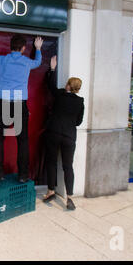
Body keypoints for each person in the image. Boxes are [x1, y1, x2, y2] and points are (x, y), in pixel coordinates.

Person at [0, 30, 43, 183]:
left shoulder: (1, 61)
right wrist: (38, 48)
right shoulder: (27, 62)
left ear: (10, 47)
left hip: (3, 102)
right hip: (19, 102)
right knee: (22, 140)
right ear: (23, 48)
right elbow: (38, 63)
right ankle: (23, 175)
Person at [43, 56, 84, 210]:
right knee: (68, 166)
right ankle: (70, 198)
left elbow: (50, 85)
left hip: (53, 132)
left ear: (68, 85)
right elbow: (78, 122)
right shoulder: (80, 102)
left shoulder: (60, 95)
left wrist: (52, 68)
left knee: (51, 162)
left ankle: (51, 191)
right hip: (69, 136)